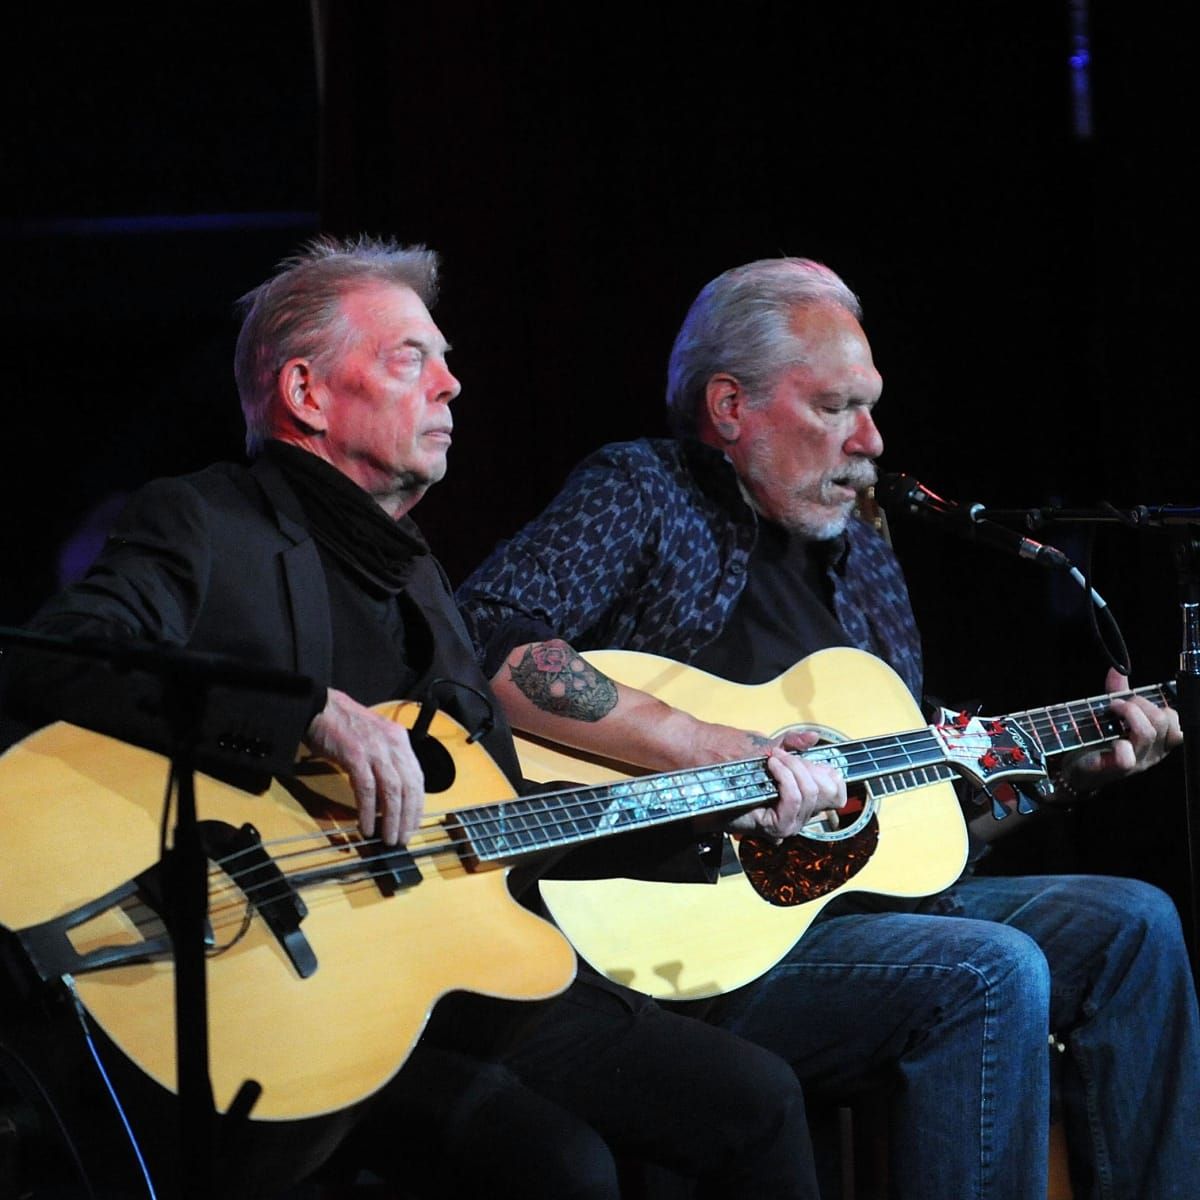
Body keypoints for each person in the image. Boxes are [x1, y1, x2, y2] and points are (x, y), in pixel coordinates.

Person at [0, 238, 830, 1200]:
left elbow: (505, 819)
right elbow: (54, 658)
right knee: (559, 1168)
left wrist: (719, 809)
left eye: (444, 358)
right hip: (283, 984)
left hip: (453, 966)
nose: (452, 383)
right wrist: (303, 714)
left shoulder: (423, 578)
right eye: (410, 358)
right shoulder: (202, 521)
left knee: (758, 1101)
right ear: (306, 394)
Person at [456, 256, 1199, 1200]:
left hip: (851, 921)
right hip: (681, 937)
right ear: (731, 407)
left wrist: (1057, 778)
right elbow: (485, 631)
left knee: (1136, 922)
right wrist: (724, 750)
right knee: (990, 969)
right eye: (835, 407)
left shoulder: (868, 558)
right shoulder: (644, 488)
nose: (872, 440)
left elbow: (914, 839)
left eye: (872, 405)